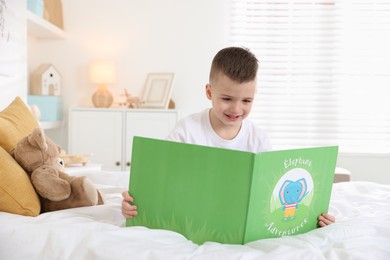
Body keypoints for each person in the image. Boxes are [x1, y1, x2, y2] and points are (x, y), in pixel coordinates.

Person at [121, 46, 335, 227]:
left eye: (246, 101)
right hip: (193, 214)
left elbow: (272, 193)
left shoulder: (258, 139)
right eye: (226, 98)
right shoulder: (187, 130)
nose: (236, 109)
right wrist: (134, 202)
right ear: (209, 92)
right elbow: (159, 176)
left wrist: (313, 218)